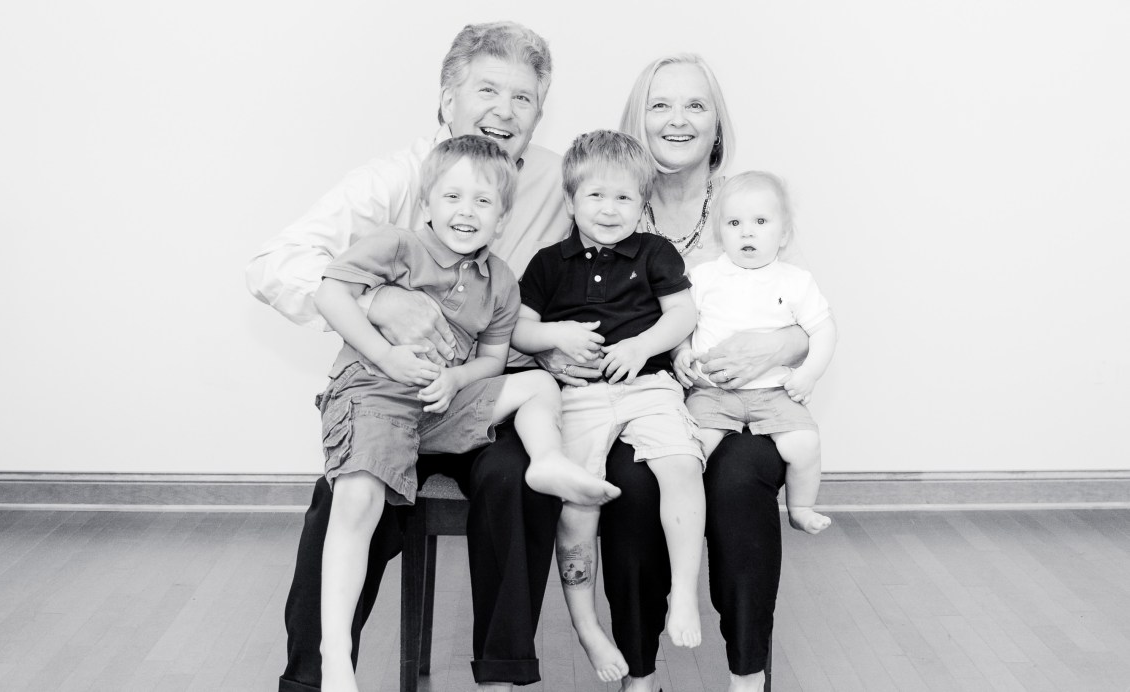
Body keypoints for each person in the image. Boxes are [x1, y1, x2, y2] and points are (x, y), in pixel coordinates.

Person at [245, 22, 575, 692]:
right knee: (347, 492)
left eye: (523, 98)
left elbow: (619, 230)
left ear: (540, 114)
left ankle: (503, 675)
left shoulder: (554, 179)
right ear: (447, 100)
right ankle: (315, 678)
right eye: (487, 90)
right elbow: (273, 264)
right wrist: (377, 303)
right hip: (393, 388)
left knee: (517, 479)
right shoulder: (396, 178)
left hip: (481, 390)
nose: (505, 111)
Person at [312, 136, 619, 691]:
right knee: (356, 499)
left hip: (441, 403)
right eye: (452, 196)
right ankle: (335, 657)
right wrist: (385, 354)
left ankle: (547, 459)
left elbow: (493, 361)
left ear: (503, 216)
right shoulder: (397, 245)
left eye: (483, 201)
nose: (466, 212)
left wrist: (455, 379)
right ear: (427, 201)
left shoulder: (500, 280)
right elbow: (330, 294)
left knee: (536, 383)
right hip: (376, 394)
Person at [545, 54, 810, 692]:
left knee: (739, 483)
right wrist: (554, 351)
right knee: (631, 486)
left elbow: (803, 311)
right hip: (637, 397)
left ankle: (747, 675)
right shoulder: (606, 200)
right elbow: (552, 303)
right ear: (636, 120)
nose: (678, 119)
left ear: (718, 123)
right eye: (659, 105)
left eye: (696, 105)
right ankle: (639, 676)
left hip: (731, 402)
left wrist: (779, 345)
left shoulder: (746, 201)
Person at [512, 131, 706, 682]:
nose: (609, 209)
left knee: (681, 466)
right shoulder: (548, 263)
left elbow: (683, 314)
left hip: (648, 386)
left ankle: (684, 593)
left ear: (642, 203)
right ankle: (587, 627)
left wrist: (642, 345)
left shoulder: (655, 252)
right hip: (578, 397)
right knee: (577, 505)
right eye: (595, 195)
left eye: (624, 197)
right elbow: (518, 329)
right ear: (570, 200)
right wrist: (555, 337)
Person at [673, 170, 836, 535]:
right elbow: (681, 322)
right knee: (692, 449)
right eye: (734, 223)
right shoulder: (704, 278)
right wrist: (680, 352)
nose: (747, 232)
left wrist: (809, 373)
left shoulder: (795, 281)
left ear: (784, 234)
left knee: (805, 443)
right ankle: (688, 514)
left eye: (760, 222)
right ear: (720, 234)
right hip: (711, 393)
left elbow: (824, 330)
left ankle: (801, 507)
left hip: (775, 393)